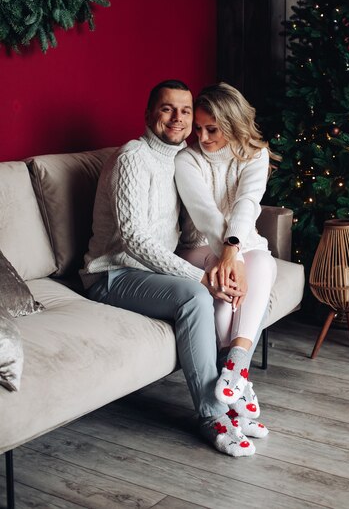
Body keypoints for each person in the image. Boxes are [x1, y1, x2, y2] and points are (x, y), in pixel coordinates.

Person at [80, 80, 257, 458]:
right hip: (111, 274)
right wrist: (199, 278)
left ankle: (235, 394)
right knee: (196, 295)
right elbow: (133, 239)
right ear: (148, 114)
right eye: (166, 108)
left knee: (227, 277)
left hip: (147, 274)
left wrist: (228, 258)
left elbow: (199, 222)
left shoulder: (179, 160)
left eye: (186, 110)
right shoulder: (134, 156)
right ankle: (212, 416)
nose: (177, 118)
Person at [174, 82, 277, 434]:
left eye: (212, 129)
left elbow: (248, 203)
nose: (202, 137)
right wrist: (232, 259)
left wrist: (234, 254)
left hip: (241, 243)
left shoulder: (255, 154)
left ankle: (237, 366)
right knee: (231, 291)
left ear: (232, 124)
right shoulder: (186, 160)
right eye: (198, 128)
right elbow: (205, 214)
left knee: (264, 263)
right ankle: (237, 391)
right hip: (196, 246)